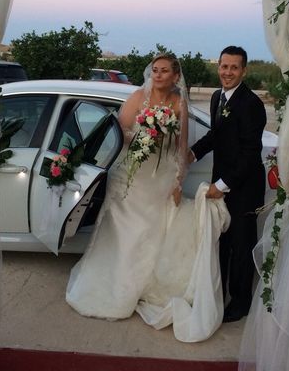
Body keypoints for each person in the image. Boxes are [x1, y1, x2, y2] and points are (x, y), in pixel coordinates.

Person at [66, 54, 230, 342]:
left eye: (164, 71)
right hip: (132, 174)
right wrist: (146, 135)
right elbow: (121, 130)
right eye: (155, 70)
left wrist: (178, 181)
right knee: (124, 232)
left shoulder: (179, 103)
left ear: (175, 76)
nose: (158, 74)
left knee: (151, 233)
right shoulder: (138, 96)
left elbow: (181, 148)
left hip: (161, 177)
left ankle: (144, 287)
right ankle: (116, 286)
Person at [190, 46, 267, 323]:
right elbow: (216, 135)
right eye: (224, 66)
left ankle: (241, 303)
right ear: (218, 67)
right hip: (222, 184)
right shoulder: (216, 97)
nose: (228, 72)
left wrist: (221, 185)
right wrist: (193, 153)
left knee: (241, 246)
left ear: (244, 71)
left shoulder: (252, 105)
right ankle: (219, 294)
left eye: (234, 68)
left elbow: (249, 154)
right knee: (222, 243)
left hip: (243, 188)